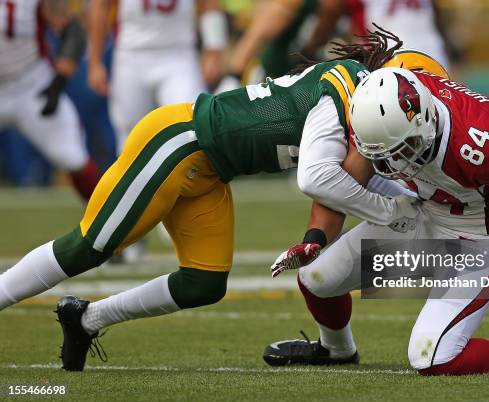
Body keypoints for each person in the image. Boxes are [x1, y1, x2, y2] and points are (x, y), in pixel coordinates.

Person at [0, 29, 417, 372]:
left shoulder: (358, 111)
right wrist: (394, 212)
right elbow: (318, 178)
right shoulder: (343, 84)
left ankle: (87, 320)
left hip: (211, 171)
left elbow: (344, 182)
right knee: (89, 247)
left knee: (204, 282)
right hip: (181, 141)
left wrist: (322, 234)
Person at [264, 48, 489, 375]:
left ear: (424, 120)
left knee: (431, 357)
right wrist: (313, 239)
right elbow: (342, 188)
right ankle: (336, 350)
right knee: (316, 278)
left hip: (483, 240)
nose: (391, 162)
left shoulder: (480, 142)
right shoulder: (378, 121)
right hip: (422, 216)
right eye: (381, 156)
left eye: (402, 149)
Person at [88, 0, 228, 153]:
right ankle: (135, 177)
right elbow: (100, 5)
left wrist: (214, 52)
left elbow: (209, 3)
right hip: (132, 53)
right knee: (130, 135)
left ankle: (187, 175)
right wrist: (94, 61)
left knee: (192, 125)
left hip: (178, 53)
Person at [0, 0, 99, 200]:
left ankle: (117, 223)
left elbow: (73, 31)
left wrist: (57, 83)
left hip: (32, 86)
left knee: (72, 157)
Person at [216, 0, 344, 92]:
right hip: (271, 79)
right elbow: (256, 35)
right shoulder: (293, 4)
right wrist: (233, 76)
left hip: (307, 82)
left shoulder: (348, 8)